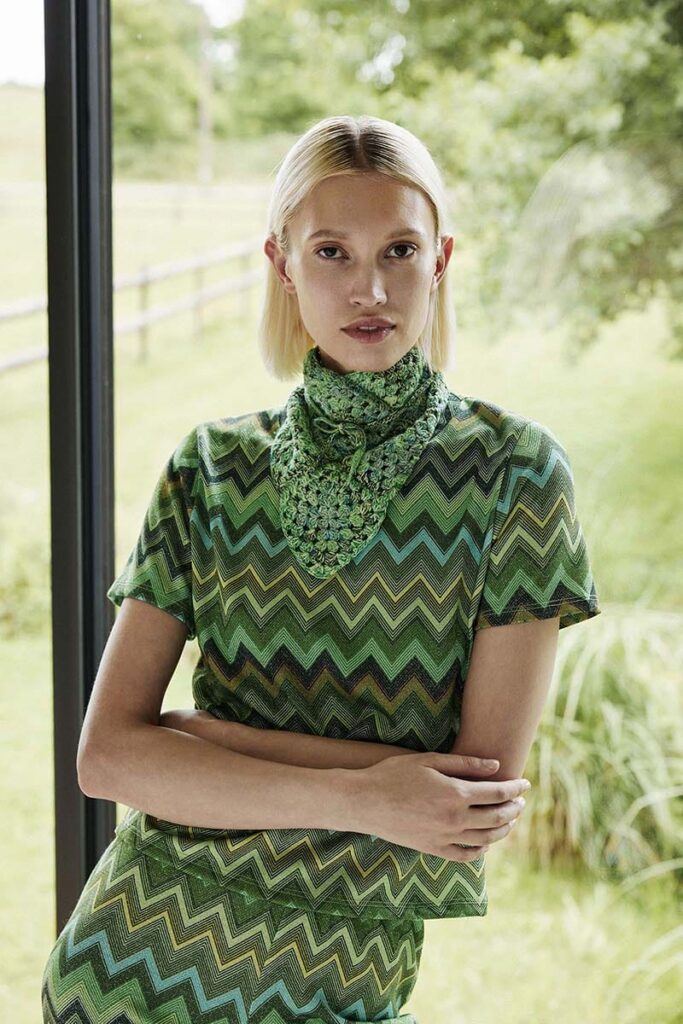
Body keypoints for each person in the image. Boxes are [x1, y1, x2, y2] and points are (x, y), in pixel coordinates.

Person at [41, 114, 601, 1024]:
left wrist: (200, 741)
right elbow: (106, 758)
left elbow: (471, 796)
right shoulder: (209, 466)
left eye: (399, 250)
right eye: (331, 252)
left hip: (336, 980)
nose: (369, 287)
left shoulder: (514, 472)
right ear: (282, 264)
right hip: (125, 960)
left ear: (440, 261)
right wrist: (367, 796)